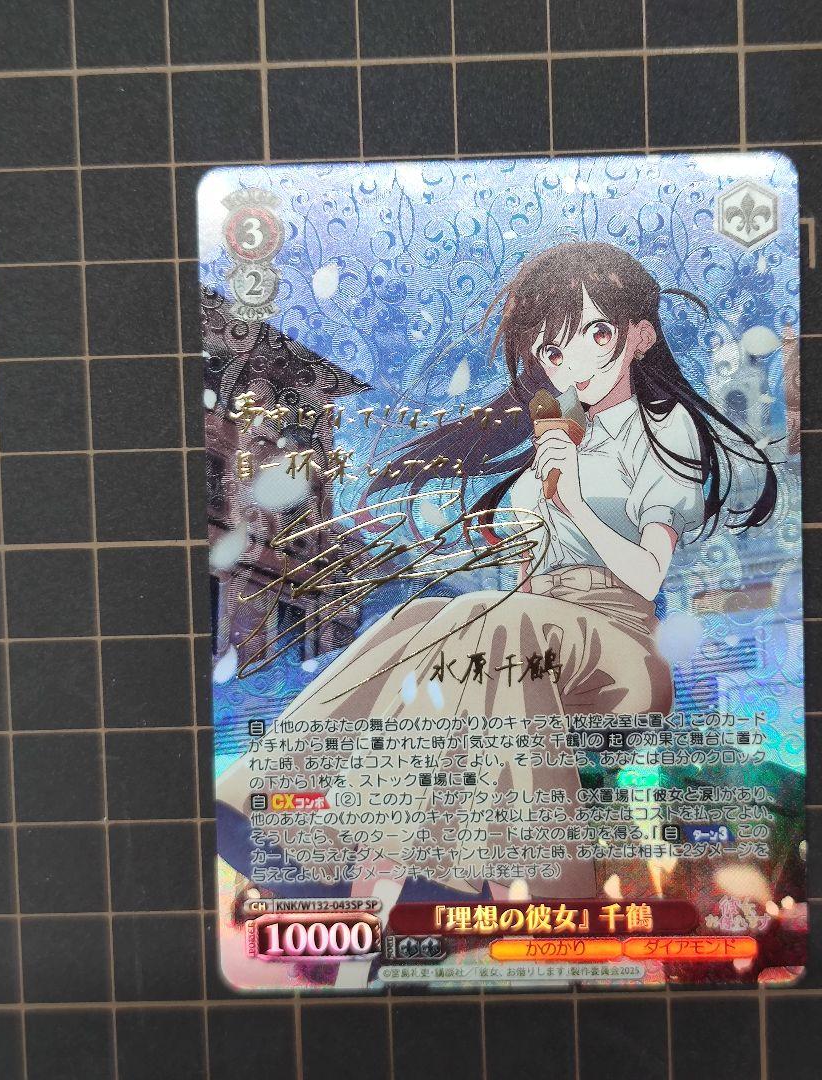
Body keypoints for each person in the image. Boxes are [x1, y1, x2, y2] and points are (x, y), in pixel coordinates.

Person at [218, 240, 777, 902]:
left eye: (595, 335)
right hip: (539, 634)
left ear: (639, 336)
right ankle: (270, 809)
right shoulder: (558, 438)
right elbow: (526, 578)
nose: (572, 364)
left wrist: (574, 503)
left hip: (624, 648)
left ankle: (500, 879)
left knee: (499, 625)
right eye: (552, 352)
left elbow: (648, 576)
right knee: (421, 616)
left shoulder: (665, 428)